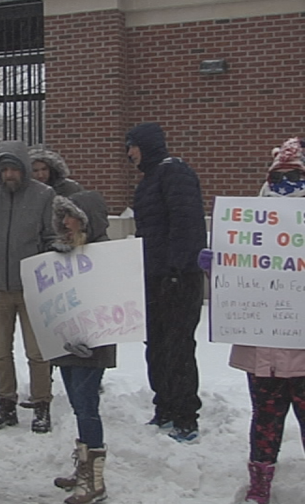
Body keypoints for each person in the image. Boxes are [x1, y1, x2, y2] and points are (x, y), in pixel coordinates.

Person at [197, 137, 305, 504]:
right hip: (263, 352)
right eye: (279, 177)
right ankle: (260, 482)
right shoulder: (250, 225)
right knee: (265, 421)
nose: (286, 185)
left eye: (295, 177)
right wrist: (218, 267)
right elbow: (242, 283)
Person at [0, 140, 58, 433]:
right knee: (0, 350)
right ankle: (5, 402)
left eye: (14, 169)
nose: (9, 175)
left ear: (24, 169)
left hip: (33, 286)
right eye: (4, 169)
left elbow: (51, 236)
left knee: (37, 351)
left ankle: (41, 403)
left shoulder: (44, 195)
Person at [125, 122, 206, 442]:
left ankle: (186, 417)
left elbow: (186, 226)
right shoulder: (150, 180)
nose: (129, 153)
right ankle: (165, 407)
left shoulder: (175, 173)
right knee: (156, 346)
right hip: (153, 277)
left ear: (147, 145)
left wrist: (176, 270)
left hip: (178, 279)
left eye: (132, 146)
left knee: (178, 347)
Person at [49, 192, 115, 504]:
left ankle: (95, 480)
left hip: (93, 344)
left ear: (86, 220)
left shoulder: (105, 254)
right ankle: (84, 466)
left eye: (71, 216)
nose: (65, 222)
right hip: (67, 342)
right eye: (62, 216)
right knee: (78, 405)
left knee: (88, 407)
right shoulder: (61, 253)